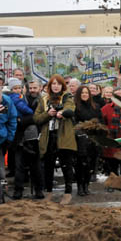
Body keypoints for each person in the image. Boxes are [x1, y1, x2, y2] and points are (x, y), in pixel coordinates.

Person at [34, 74, 77, 205]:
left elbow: (70, 109)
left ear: (62, 86)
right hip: (49, 136)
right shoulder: (44, 99)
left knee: (66, 165)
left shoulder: (67, 97)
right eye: (53, 84)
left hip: (63, 135)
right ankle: (48, 192)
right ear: (49, 86)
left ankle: (68, 193)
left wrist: (61, 113)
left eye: (58, 84)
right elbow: (36, 118)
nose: (56, 86)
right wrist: (48, 114)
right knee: (48, 166)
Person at [6, 78, 42, 199]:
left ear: (39, 88)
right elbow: (14, 117)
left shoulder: (42, 100)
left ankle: (38, 190)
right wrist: (26, 120)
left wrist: (24, 120)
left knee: (35, 165)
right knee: (19, 165)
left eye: (34, 88)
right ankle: (18, 190)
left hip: (35, 136)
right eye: (30, 88)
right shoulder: (20, 98)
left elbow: (39, 118)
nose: (32, 90)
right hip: (20, 137)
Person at [74, 85, 102, 196]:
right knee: (81, 164)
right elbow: (74, 122)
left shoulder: (96, 106)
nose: (84, 94)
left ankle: (86, 185)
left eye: (86, 92)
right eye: (82, 93)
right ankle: (80, 186)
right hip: (81, 139)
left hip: (94, 139)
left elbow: (101, 120)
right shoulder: (76, 106)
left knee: (91, 164)